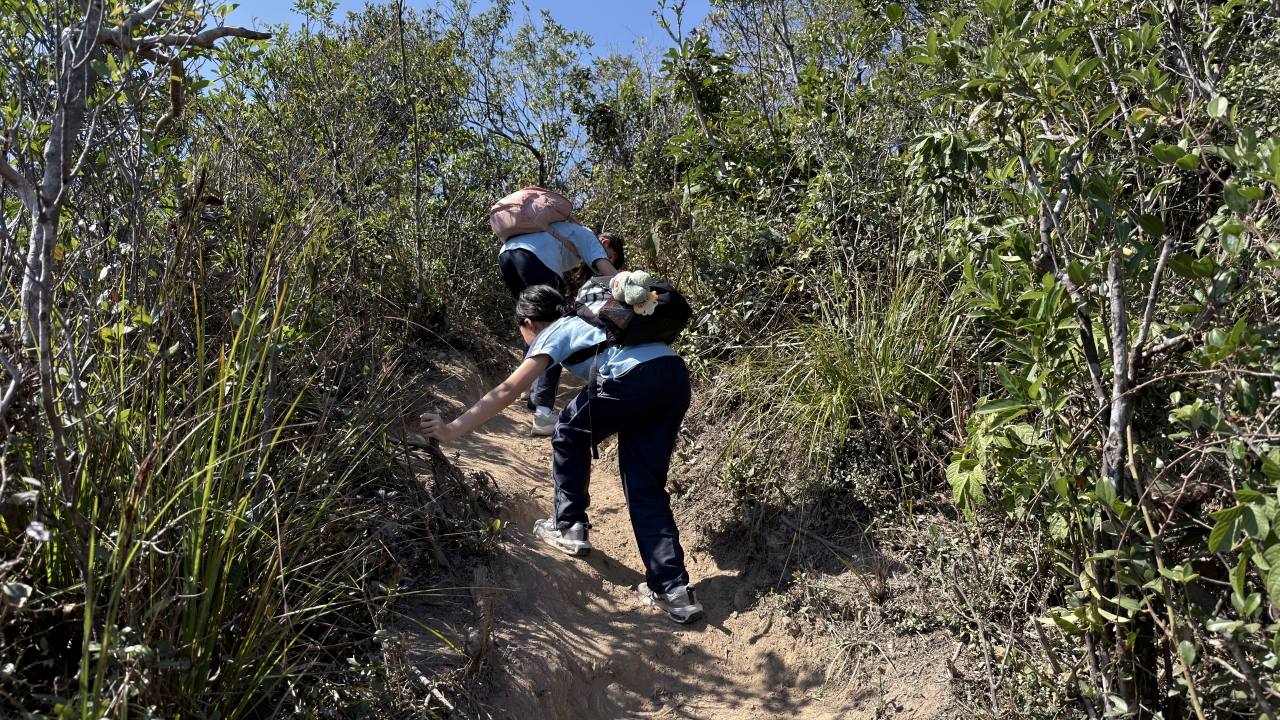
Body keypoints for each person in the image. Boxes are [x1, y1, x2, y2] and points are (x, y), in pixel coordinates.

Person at [419, 284, 704, 625]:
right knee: (645, 485)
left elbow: (508, 389)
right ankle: (674, 591)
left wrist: (451, 430)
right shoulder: (594, 317)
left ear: (528, 323)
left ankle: (569, 527)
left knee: (567, 429)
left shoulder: (554, 331)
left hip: (634, 377)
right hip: (674, 374)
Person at [499, 222, 618, 436]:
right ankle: (543, 413)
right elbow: (613, 277)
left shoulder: (566, 231)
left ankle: (527, 385)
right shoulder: (589, 237)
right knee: (554, 327)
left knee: (532, 319)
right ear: (605, 243)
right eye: (609, 256)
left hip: (507, 255)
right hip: (535, 257)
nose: (606, 259)